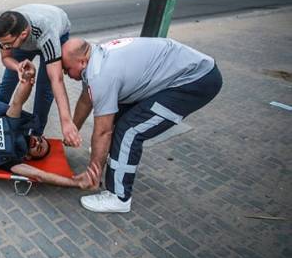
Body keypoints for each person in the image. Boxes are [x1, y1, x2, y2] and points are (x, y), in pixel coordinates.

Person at [62, 37, 222, 213]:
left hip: (196, 79)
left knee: (129, 130)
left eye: (67, 68)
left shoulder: (100, 74)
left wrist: (93, 172)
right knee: (117, 115)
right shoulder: (95, 56)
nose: (65, 73)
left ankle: (118, 197)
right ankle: (111, 158)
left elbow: (103, 132)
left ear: (82, 61)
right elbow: (86, 100)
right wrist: (73, 130)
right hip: (176, 69)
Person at [0, 4, 80, 147]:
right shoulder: (6, 31)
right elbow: (6, 58)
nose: (5, 47)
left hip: (54, 29)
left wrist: (66, 122)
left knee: (44, 88)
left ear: (23, 34)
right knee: (7, 83)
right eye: (3, 44)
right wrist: (17, 67)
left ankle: (36, 134)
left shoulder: (47, 33)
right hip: (25, 37)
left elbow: (56, 80)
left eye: (8, 44)